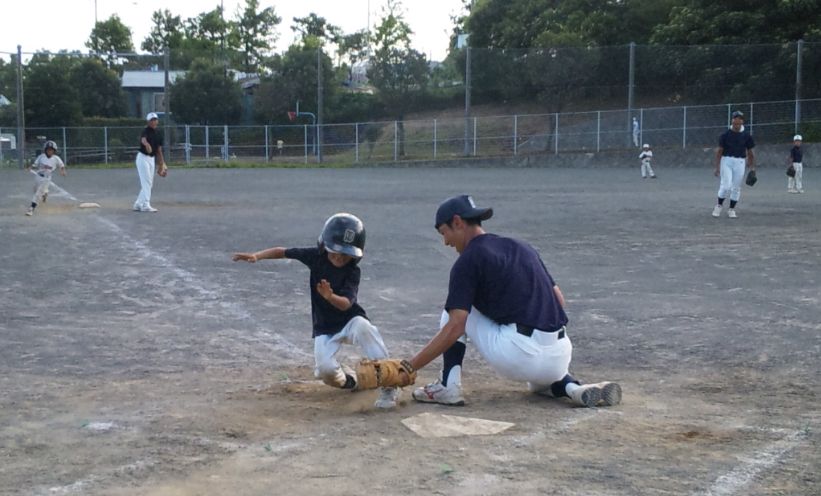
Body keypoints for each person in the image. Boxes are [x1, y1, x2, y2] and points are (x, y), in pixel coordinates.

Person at [406, 195, 622, 408]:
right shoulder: (522, 247)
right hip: (560, 355)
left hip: (518, 356)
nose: (445, 242)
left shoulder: (468, 259)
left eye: (444, 233)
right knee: (538, 385)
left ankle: (448, 386)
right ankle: (573, 388)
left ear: (457, 222)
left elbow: (455, 326)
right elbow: (559, 300)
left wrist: (410, 366)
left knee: (454, 312)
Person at [232, 213, 401, 410]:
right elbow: (283, 252)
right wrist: (257, 256)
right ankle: (351, 381)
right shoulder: (316, 257)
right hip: (324, 326)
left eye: (345, 254)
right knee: (324, 370)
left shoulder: (353, 272)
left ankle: (391, 383)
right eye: (335, 251)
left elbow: (346, 304)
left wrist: (330, 296)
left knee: (365, 328)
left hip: (350, 320)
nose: (339, 257)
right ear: (324, 246)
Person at [712, 110, 755, 219]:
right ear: (732, 120)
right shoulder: (725, 135)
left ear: (742, 121)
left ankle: (731, 209)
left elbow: (750, 152)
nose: (737, 121)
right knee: (726, 186)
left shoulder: (747, 136)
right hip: (726, 160)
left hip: (740, 162)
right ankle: (719, 206)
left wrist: (752, 167)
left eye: (739, 119)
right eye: (735, 119)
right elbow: (719, 151)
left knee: (736, 187)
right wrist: (717, 167)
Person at [133, 112, 167, 213]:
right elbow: (143, 139)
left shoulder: (159, 133)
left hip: (151, 159)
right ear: (148, 122)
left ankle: (138, 203)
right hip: (142, 158)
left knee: (149, 183)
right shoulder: (146, 131)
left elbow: (159, 150)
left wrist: (161, 164)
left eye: (155, 119)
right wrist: (146, 144)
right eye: (152, 120)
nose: (154, 121)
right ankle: (145, 205)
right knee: (147, 182)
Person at [25, 140, 66, 216]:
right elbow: (35, 164)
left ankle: (31, 208)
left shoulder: (56, 158)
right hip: (38, 176)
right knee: (35, 190)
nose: (50, 151)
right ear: (45, 150)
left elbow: (61, 165)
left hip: (46, 178)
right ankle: (45, 193)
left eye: (51, 150)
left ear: (54, 151)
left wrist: (62, 171)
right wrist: (31, 167)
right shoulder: (41, 156)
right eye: (48, 149)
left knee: (38, 194)